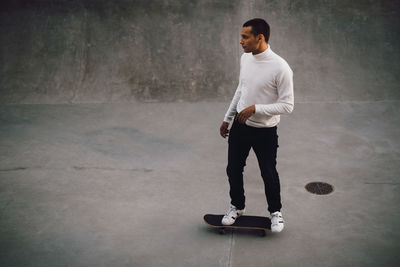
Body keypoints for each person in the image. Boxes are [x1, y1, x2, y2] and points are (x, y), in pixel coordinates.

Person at [219, 18, 294, 233]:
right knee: (233, 168)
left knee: (268, 172)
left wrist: (256, 109)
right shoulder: (245, 59)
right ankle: (237, 207)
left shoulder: (281, 68)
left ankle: (275, 212)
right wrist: (227, 118)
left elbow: (288, 106)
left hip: (265, 131)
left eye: (245, 37)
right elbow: (240, 90)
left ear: (259, 38)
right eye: (241, 36)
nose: (240, 41)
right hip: (240, 127)